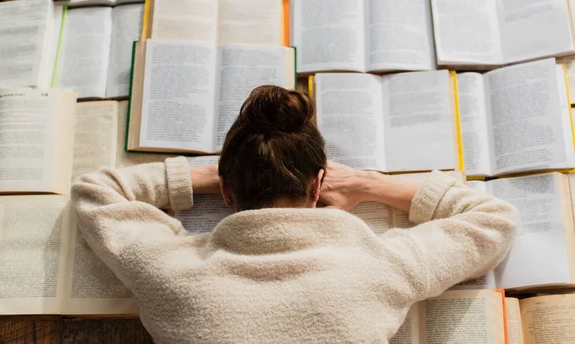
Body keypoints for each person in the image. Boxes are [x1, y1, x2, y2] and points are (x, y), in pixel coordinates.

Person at [72, 85, 517, 344]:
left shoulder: (168, 271)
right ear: (319, 185)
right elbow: (494, 220)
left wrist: (207, 174)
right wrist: (368, 184)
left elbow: (96, 190)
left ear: (226, 190)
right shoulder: (379, 267)